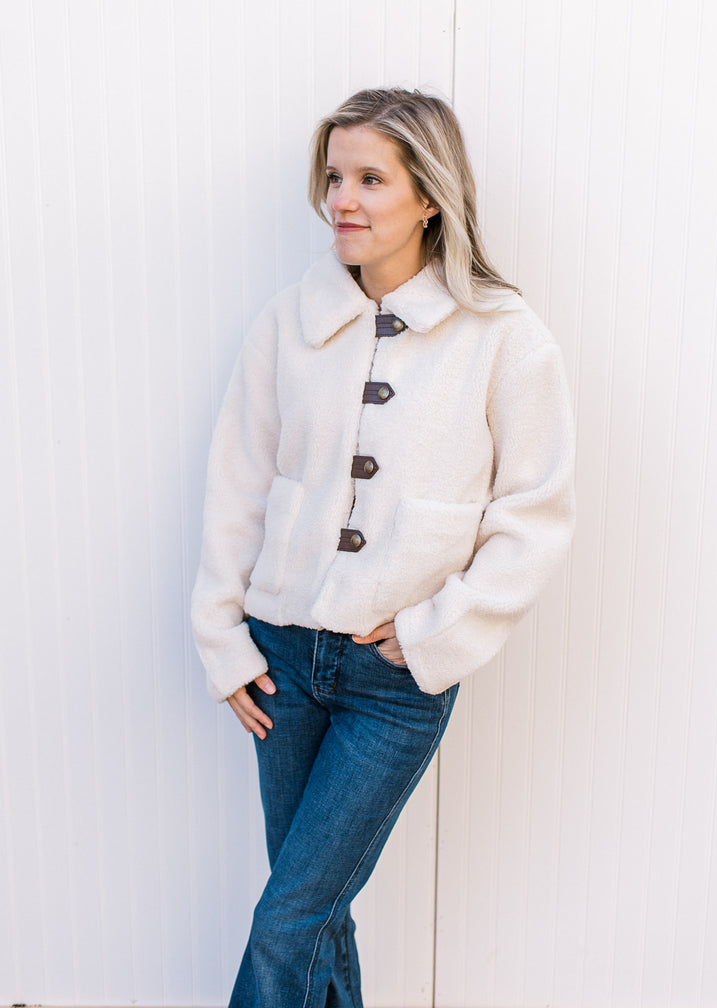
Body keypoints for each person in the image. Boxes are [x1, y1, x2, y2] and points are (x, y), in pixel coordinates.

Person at [191, 87, 575, 1008]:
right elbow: (238, 482)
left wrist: (445, 627)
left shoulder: (503, 337)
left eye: (371, 178)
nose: (343, 201)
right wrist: (223, 638)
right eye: (334, 177)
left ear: (430, 194)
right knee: (318, 915)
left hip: (393, 683)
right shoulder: (289, 321)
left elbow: (536, 513)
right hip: (280, 663)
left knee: (288, 919)